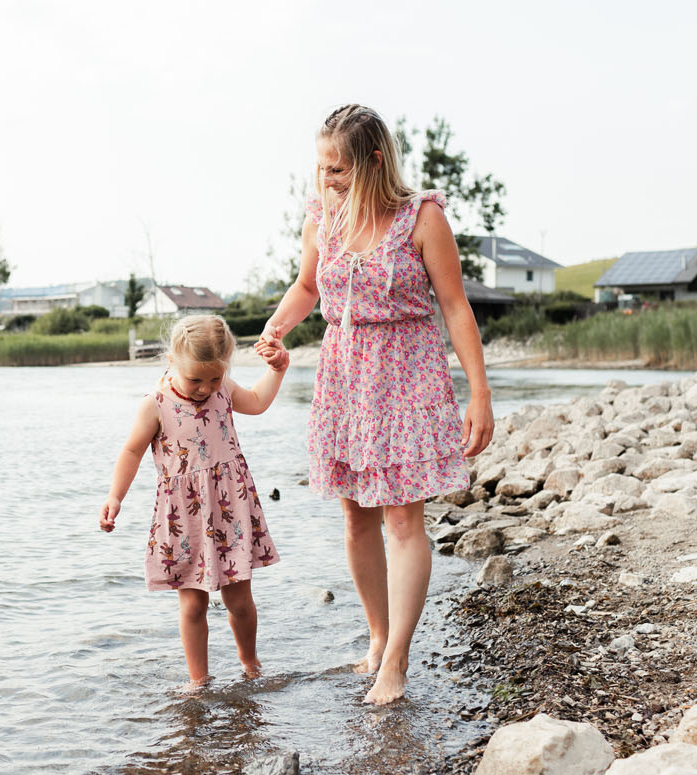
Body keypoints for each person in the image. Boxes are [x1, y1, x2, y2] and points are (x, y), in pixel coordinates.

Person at [255, 103, 495, 706]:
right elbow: (307, 286)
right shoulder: (322, 216)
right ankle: (378, 636)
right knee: (356, 516)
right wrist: (275, 329)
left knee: (403, 521)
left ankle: (397, 659)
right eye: (321, 168)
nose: (327, 179)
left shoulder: (423, 217)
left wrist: (479, 392)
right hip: (344, 377)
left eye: (338, 169)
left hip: (407, 377)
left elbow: (455, 306)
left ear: (375, 160)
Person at [100, 315, 291, 689]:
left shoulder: (224, 390)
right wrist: (115, 496)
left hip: (229, 509)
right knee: (192, 605)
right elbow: (132, 451)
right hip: (185, 517)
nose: (206, 388)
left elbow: (256, 402)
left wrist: (277, 370)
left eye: (214, 378)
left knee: (240, 601)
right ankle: (198, 681)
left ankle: (250, 662)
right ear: (171, 360)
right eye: (195, 380)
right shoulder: (156, 405)